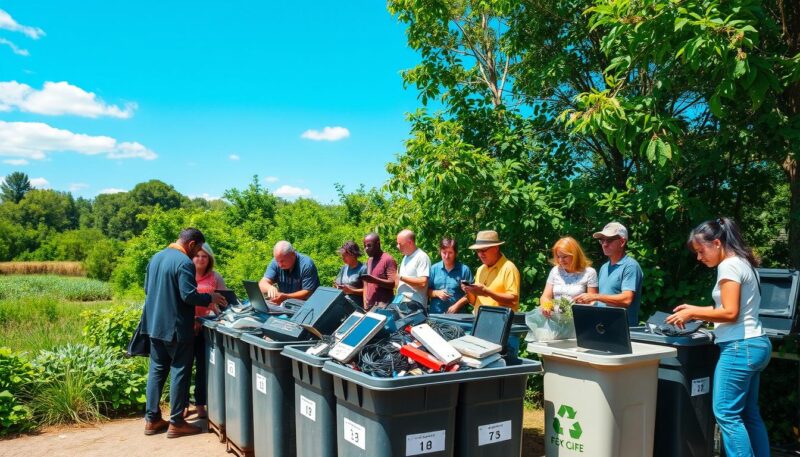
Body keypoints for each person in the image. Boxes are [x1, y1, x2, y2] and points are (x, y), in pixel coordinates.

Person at [666, 217, 770, 457]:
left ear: (716, 243)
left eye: (701, 251)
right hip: (756, 343)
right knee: (748, 414)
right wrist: (696, 311)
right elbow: (735, 310)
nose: (699, 257)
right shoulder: (745, 263)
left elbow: (730, 313)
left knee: (726, 413)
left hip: (739, 348)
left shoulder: (729, 265)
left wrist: (693, 312)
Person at [141, 228, 227, 438]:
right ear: (191, 245)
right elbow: (188, 295)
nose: (197, 253)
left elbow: (146, 289)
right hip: (177, 329)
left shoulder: (157, 257)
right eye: (197, 248)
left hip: (154, 326)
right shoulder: (183, 262)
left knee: (157, 370)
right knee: (180, 370)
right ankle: (177, 422)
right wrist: (210, 298)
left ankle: (151, 420)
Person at [185, 242, 227, 420]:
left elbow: (225, 300)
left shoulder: (215, 276)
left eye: (204, 256)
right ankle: (183, 403)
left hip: (206, 328)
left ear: (209, 259)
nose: (200, 259)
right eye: (197, 256)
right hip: (186, 327)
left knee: (203, 367)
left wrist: (222, 315)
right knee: (184, 367)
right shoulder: (185, 274)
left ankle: (200, 402)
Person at [573, 222, 643, 327]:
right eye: (602, 240)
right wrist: (585, 302)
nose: (604, 244)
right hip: (603, 327)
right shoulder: (604, 267)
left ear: (622, 242)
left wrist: (595, 297)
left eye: (609, 240)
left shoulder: (630, 266)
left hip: (623, 329)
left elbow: (626, 299)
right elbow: (601, 301)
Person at [462, 230, 520, 313]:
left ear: (496, 248)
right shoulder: (480, 269)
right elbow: (474, 302)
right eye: (478, 250)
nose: (480, 254)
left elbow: (513, 300)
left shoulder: (509, 268)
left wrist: (487, 292)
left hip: (500, 322)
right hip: (479, 320)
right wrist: (469, 290)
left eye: (484, 250)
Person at [540, 237, 598, 313]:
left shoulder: (589, 272)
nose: (561, 260)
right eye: (558, 256)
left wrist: (584, 303)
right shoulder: (555, 271)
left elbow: (593, 301)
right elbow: (545, 296)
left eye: (564, 256)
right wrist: (546, 307)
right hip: (555, 318)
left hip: (578, 318)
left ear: (575, 255)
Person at [428, 238, 473, 314]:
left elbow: (471, 294)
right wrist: (436, 293)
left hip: (458, 316)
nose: (446, 256)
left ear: (456, 253)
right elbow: (426, 291)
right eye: (444, 252)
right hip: (436, 315)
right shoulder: (434, 269)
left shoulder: (464, 270)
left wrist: (457, 306)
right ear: (440, 252)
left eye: (450, 253)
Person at [395, 229, 431, 309]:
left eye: (400, 244)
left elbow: (423, 282)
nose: (397, 247)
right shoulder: (405, 257)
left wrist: (401, 277)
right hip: (400, 302)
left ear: (410, 243)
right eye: (397, 244)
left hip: (414, 306)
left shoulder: (421, 257)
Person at [361, 233, 397, 309]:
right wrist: (366, 301)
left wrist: (374, 280)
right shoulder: (370, 260)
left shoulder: (388, 259)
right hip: (370, 305)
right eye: (365, 246)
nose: (366, 248)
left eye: (369, 245)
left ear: (377, 244)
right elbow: (367, 284)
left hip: (383, 305)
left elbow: (392, 283)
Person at [334, 240, 366, 310]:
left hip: (357, 308)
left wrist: (352, 291)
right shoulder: (344, 268)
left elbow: (369, 291)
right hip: (342, 305)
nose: (343, 258)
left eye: (345, 255)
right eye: (342, 255)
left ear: (353, 254)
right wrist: (336, 286)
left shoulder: (363, 269)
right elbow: (337, 284)